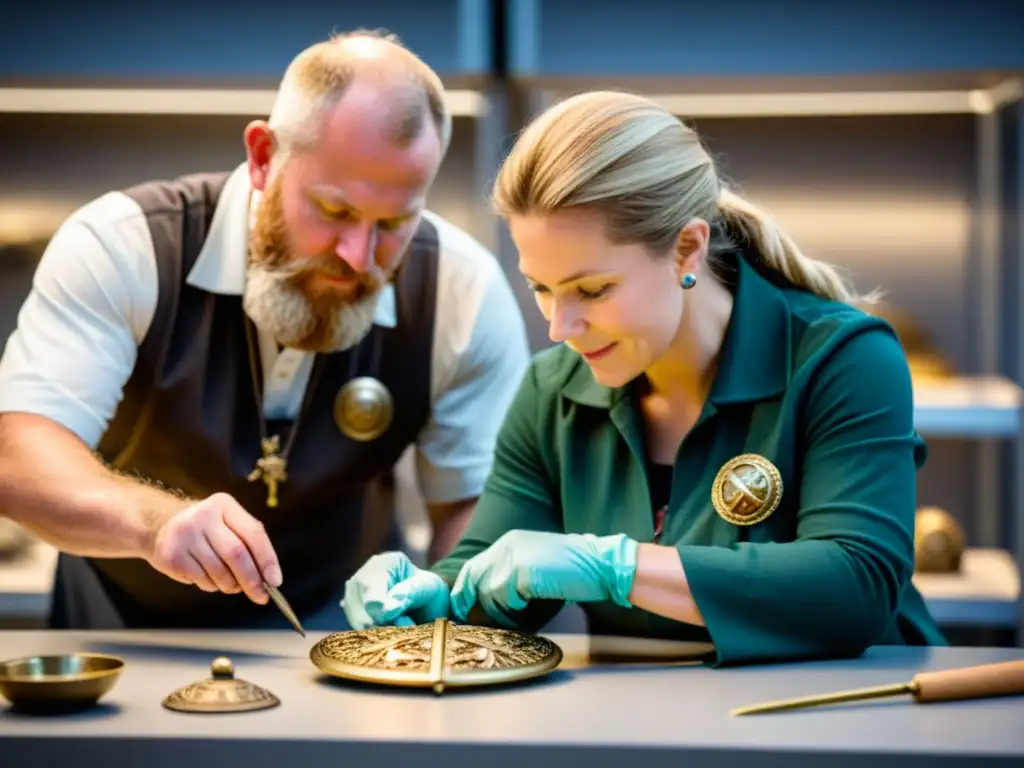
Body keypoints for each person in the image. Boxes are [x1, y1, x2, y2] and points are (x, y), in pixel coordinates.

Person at [340, 90, 948, 667]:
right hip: (651, 727)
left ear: (687, 249)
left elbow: (857, 587)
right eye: (541, 289)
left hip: (863, 713)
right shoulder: (552, 390)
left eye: (592, 289)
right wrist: (434, 597)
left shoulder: (843, 359)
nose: (561, 327)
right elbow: (485, 568)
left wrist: (618, 567)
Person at [0, 30, 530, 630]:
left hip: (347, 643)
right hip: (126, 637)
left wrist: (455, 604)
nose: (359, 256)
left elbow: (471, 506)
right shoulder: (125, 245)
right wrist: (157, 524)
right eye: (334, 211)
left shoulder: (462, 291)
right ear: (261, 157)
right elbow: (18, 457)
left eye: (394, 224)